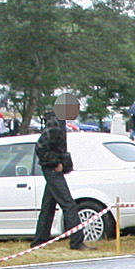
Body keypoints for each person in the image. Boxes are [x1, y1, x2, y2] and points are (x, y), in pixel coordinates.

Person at [32, 95, 85, 250]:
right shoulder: (55, 123)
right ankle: (76, 241)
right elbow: (40, 147)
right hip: (52, 169)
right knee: (69, 205)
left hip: (52, 168)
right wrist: (56, 163)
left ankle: (39, 241)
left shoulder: (58, 122)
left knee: (48, 206)